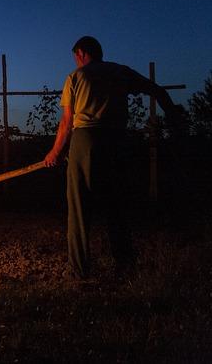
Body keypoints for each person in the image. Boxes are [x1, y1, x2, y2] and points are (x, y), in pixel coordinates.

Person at [45, 36, 180, 280]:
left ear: (82, 53)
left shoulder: (76, 77)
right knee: (115, 203)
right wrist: (174, 119)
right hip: (117, 141)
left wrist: (55, 152)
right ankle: (125, 263)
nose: (75, 61)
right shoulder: (120, 72)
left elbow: (67, 121)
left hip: (85, 139)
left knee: (78, 205)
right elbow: (157, 91)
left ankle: (79, 269)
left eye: (75, 57)